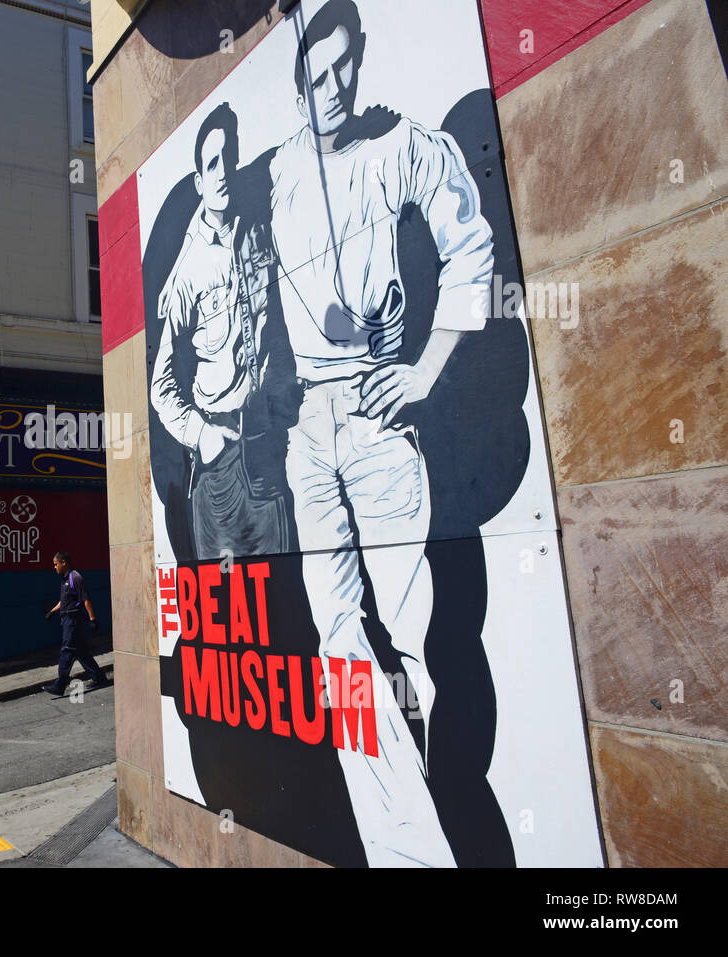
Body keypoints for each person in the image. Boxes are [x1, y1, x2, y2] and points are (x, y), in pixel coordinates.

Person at [264, 0, 495, 867]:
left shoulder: (401, 145)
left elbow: (470, 248)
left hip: (376, 412)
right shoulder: (280, 172)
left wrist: (426, 369)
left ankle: (446, 814)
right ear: (296, 83)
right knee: (338, 643)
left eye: (342, 67)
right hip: (308, 433)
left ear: (359, 62)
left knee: (413, 636)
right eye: (315, 74)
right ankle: (404, 849)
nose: (331, 87)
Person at [151, 102, 295, 560]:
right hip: (219, 459)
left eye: (229, 158)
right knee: (231, 595)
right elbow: (162, 386)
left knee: (282, 585)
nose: (223, 171)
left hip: (270, 439)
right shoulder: (187, 275)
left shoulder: (259, 232)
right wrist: (203, 436)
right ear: (199, 180)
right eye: (212, 163)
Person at [41, 552, 109, 695]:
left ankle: (59, 685)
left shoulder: (75, 577)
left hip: (73, 621)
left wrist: (92, 619)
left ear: (64, 562)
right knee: (81, 652)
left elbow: (86, 599)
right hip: (66, 619)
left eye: (56, 564)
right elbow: (64, 601)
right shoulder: (65, 579)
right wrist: (52, 612)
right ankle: (99, 678)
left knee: (66, 651)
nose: (54, 567)